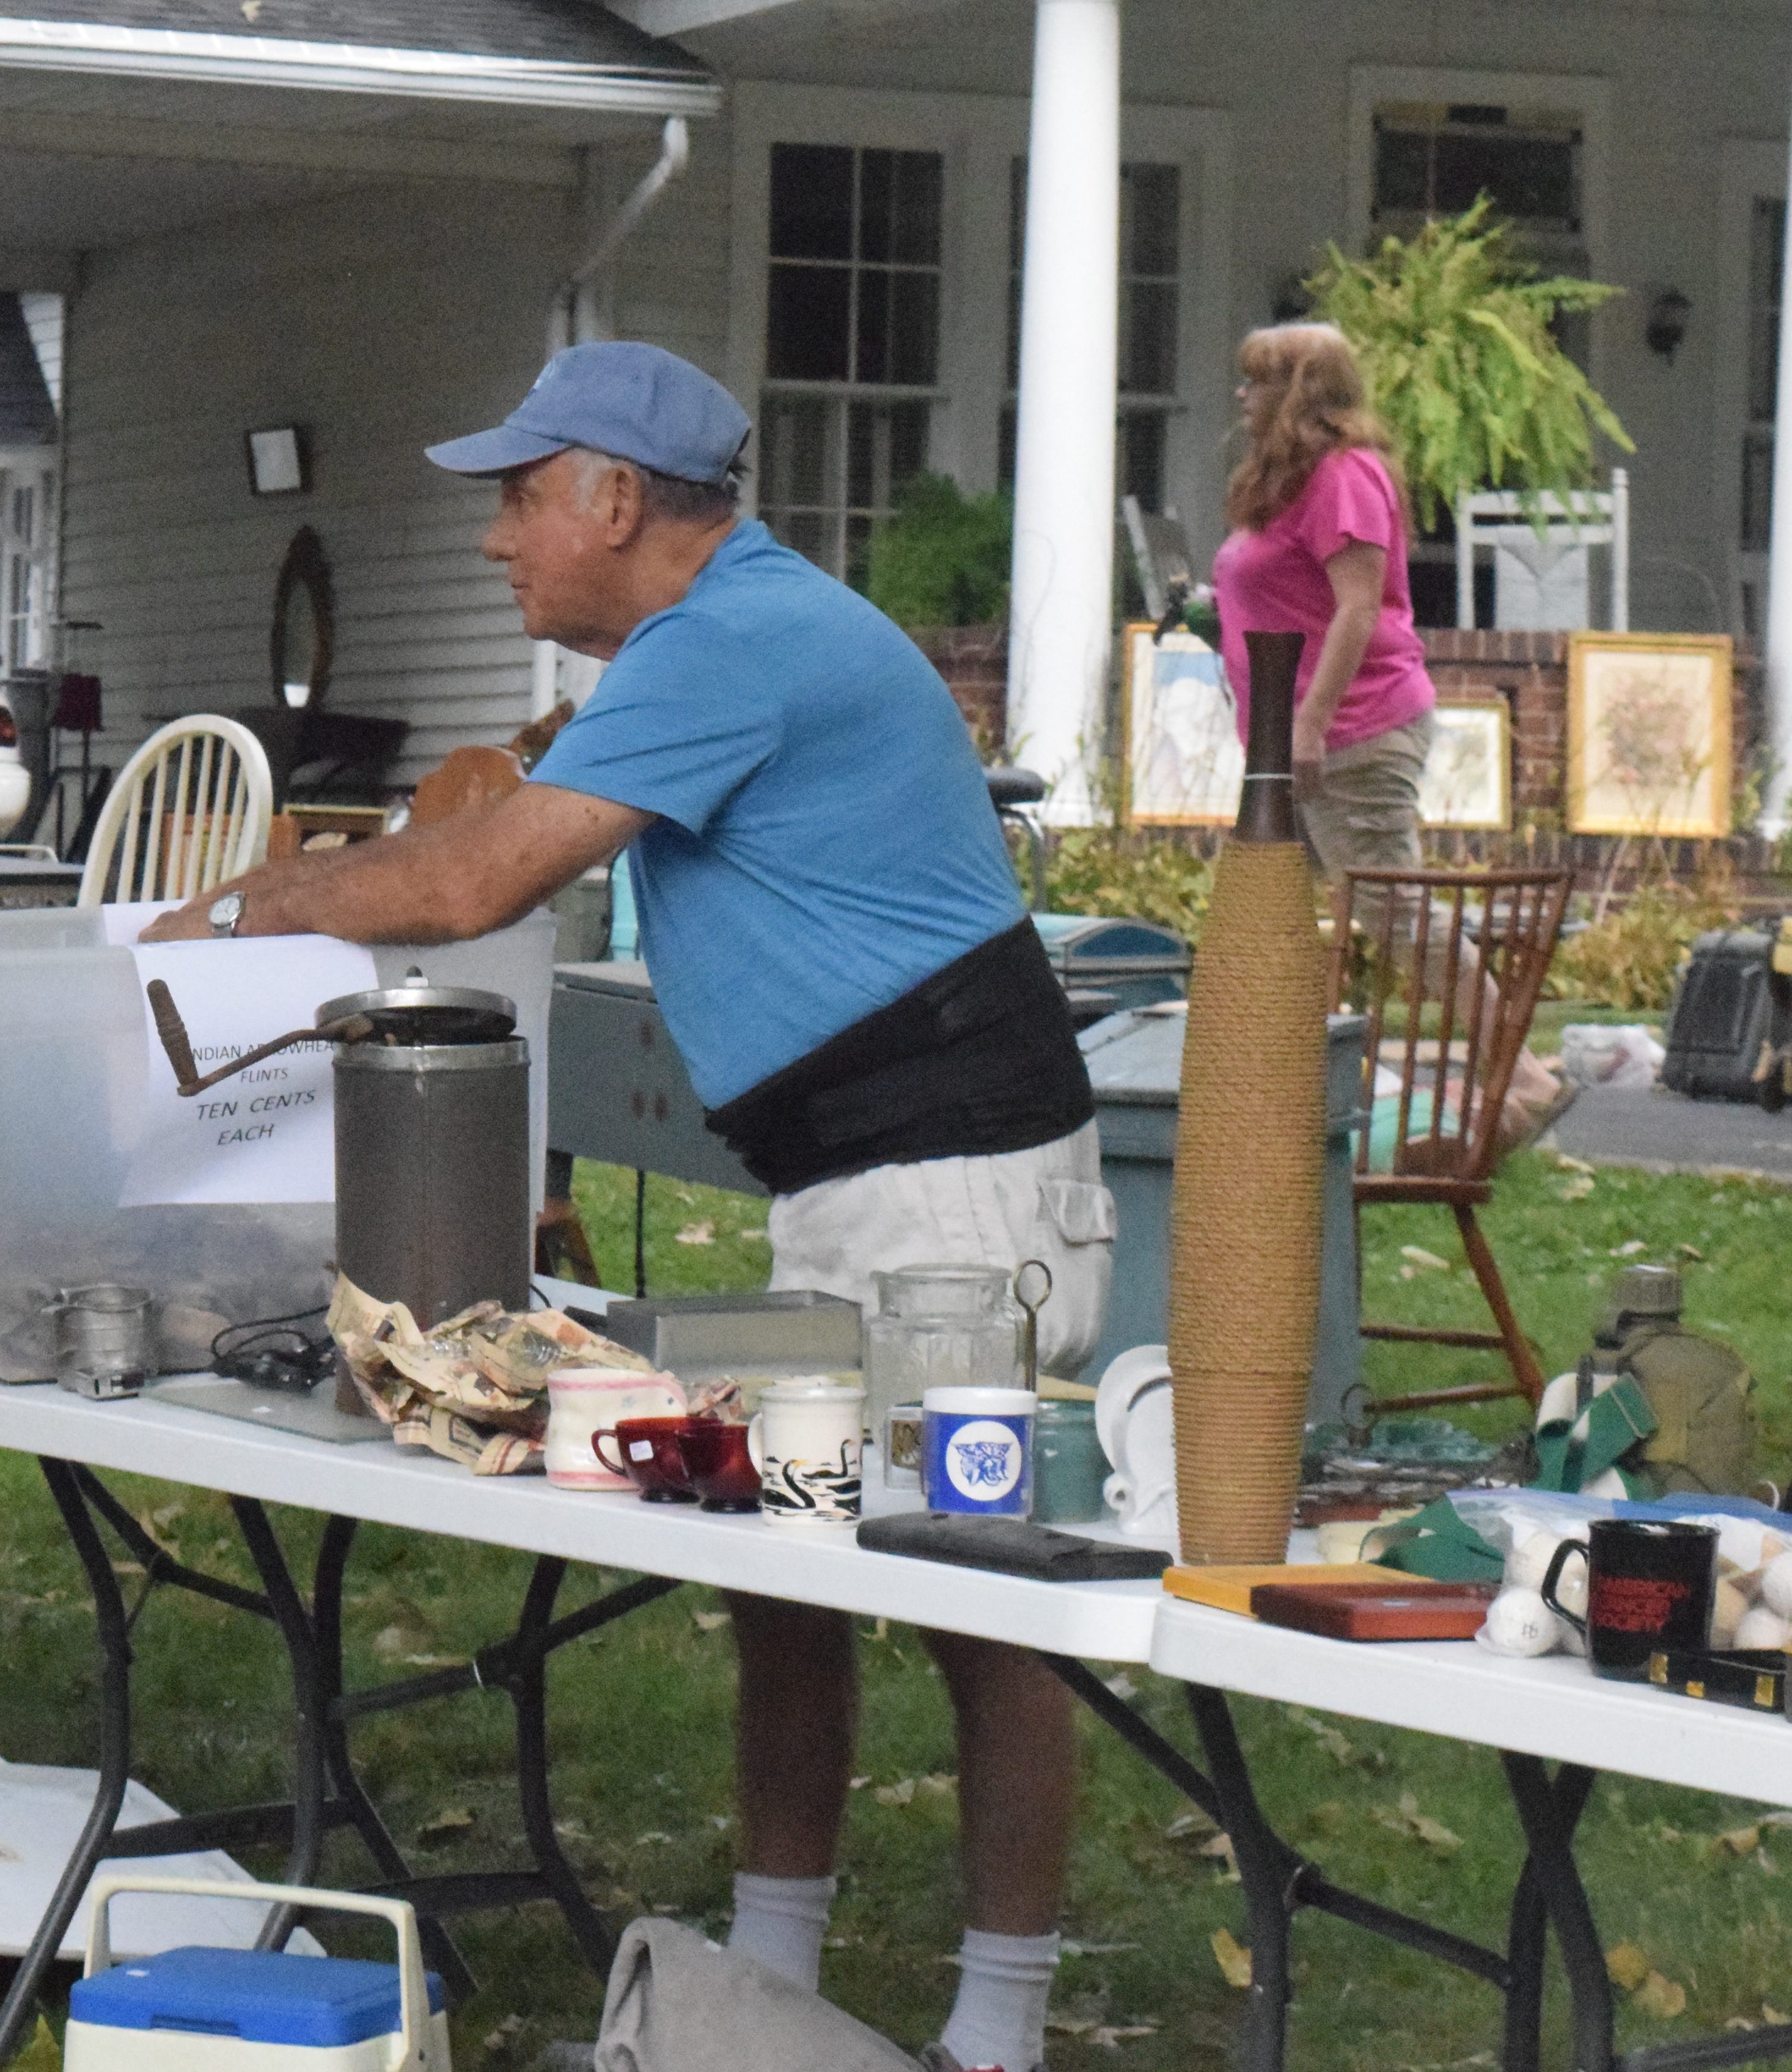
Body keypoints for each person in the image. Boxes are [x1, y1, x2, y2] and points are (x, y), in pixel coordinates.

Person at [141, 342, 1110, 2072]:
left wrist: (223, 919)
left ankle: (1001, 2032)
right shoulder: (718, 636)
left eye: (521, 496)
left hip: (956, 1179)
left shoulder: (731, 638)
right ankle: (763, 1994)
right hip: (867, 1177)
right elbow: (495, 817)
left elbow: (469, 878)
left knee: (982, 1594)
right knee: (790, 1574)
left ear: (615, 497)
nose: (501, 539)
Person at [1213, 320, 1563, 1141]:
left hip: (1353, 731)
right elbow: (1280, 590)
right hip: (1285, 739)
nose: (1243, 396)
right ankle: (1286, 1077)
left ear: (1300, 392)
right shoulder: (1288, 483)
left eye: (1259, 381)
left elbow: (1360, 609)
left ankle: (1529, 1076)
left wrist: (1312, 723)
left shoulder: (1346, 475)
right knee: (1271, 904)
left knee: (1396, 909)